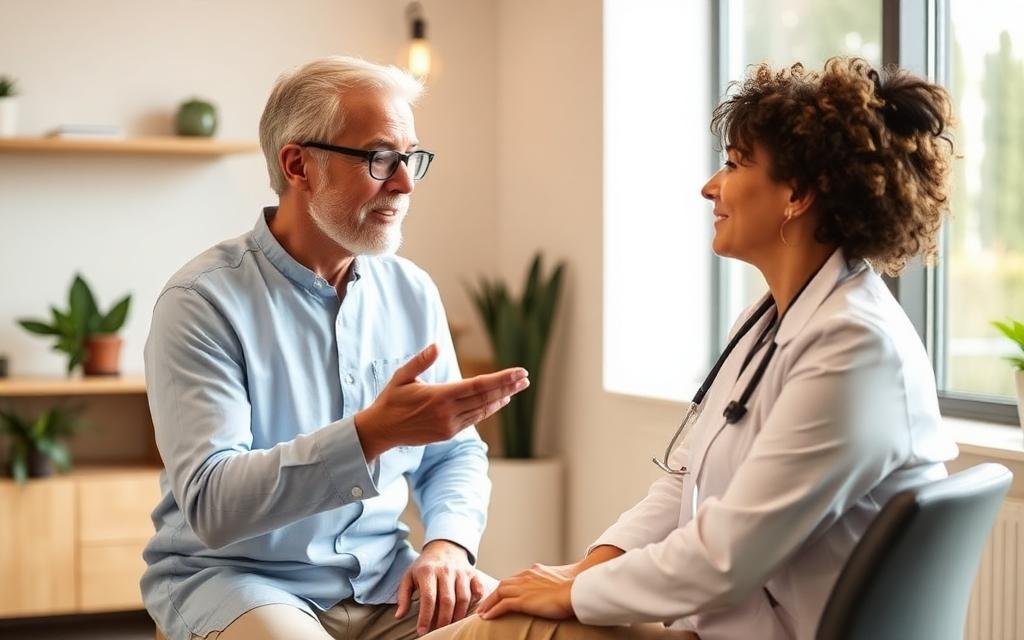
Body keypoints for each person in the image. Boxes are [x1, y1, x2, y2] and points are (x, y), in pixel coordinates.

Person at [426, 57, 960, 640]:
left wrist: (574, 594)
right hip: (735, 625)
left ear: (798, 194)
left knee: (503, 629)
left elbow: (726, 557)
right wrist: (583, 571)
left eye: (734, 164)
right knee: (509, 617)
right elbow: (684, 482)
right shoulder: (767, 320)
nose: (710, 186)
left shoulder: (854, 348)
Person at [142, 55, 530, 640]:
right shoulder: (201, 301)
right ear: (298, 165)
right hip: (240, 579)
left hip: (385, 579)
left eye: (410, 158)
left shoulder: (411, 290)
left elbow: (454, 454)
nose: (404, 183)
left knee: (539, 625)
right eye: (380, 158)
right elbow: (213, 503)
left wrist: (448, 546)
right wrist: (370, 434)